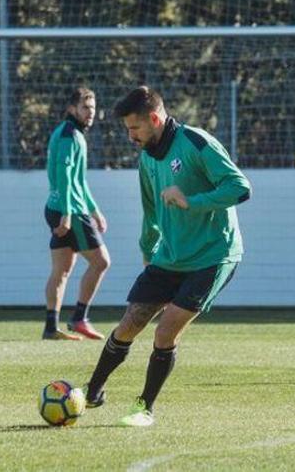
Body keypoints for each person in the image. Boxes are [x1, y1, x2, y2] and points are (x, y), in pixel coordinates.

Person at [84, 85, 251, 426]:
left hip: (213, 255)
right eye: (127, 129)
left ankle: (144, 408)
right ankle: (91, 393)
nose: (130, 136)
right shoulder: (147, 158)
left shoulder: (195, 142)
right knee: (130, 323)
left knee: (166, 331)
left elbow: (240, 187)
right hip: (170, 258)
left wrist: (193, 200)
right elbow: (151, 212)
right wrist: (149, 252)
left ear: (155, 119)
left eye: (135, 128)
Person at [43, 87, 110, 341]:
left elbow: (79, 181)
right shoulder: (70, 136)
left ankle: (51, 328)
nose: (91, 113)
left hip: (59, 207)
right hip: (68, 210)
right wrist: (69, 214)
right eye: (86, 108)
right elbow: (65, 178)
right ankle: (80, 317)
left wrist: (95, 210)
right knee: (101, 261)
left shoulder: (70, 133)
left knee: (61, 270)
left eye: (93, 108)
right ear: (72, 109)